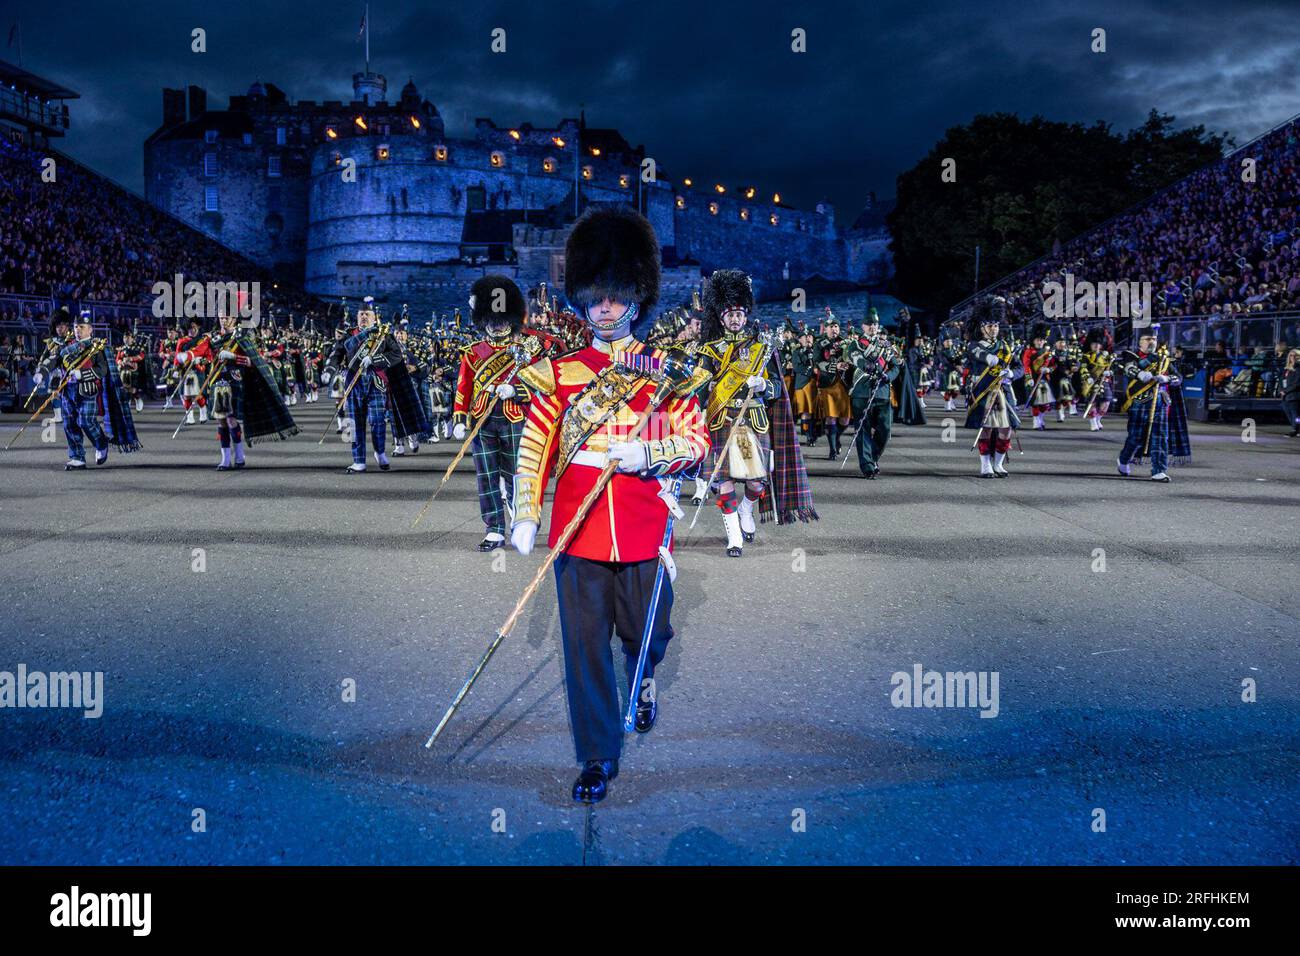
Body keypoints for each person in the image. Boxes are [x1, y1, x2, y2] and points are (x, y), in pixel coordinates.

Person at [510, 206, 710, 804]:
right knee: (584, 645)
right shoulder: (558, 375)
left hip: (645, 528)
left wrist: (646, 453)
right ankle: (597, 754)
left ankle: (644, 675)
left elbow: (697, 444)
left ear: (636, 299)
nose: (603, 307)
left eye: (616, 295)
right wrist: (524, 511)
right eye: (595, 294)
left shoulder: (663, 378)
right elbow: (534, 445)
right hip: (578, 532)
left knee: (648, 630)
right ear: (582, 297)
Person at [695, 269, 784, 555]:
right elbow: (699, 386)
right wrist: (698, 404)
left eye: (739, 314)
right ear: (722, 319)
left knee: (757, 482)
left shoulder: (761, 349)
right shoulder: (710, 350)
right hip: (723, 418)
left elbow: (778, 390)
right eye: (729, 314)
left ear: (746, 317)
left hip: (752, 421)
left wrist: (762, 385)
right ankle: (733, 535)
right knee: (725, 479)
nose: (735, 319)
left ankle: (747, 509)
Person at [452, 275, 542, 550]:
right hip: (483, 419)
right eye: (492, 319)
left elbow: (540, 385)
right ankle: (494, 527)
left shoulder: (527, 350)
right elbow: (463, 387)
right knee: (487, 475)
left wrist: (516, 391)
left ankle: (521, 518)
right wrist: (458, 418)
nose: (498, 324)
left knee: (517, 472)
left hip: (515, 419)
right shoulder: (472, 353)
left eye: (502, 319)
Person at [179, 312, 299, 469]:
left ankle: (240, 455)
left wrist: (234, 357)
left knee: (231, 420)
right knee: (222, 422)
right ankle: (225, 459)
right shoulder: (212, 338)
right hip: (216, 382)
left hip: (235, 381)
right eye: (221, 318)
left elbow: (253, 361)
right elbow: (201, 351)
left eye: (227, 318)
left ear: (234, 319)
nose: (224, 321)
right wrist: (188, 356)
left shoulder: (241, 337)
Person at [52, 310, 141, 470]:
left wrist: (82, 374)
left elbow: (102, 370)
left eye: (81, 326)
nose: (78, 329)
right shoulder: (66, 346)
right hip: (67, 392)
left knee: (85, 421)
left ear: (90, 329)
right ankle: (77, 457)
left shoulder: (98, 347)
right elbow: (57, 365)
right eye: (75, 326)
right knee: (70, 424)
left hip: (88, 391)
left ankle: (101, 444)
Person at [1116, 325, 1190, 482]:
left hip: (1160, 402)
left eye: (1154, 339)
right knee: (1135, 437)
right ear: (1140, 342)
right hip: (1139, 402)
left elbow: (1178, 378)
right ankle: (1123, 459)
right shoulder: (1131, 355)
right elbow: (1129, 369)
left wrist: (1167, 379)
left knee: (1160, 437)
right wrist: (1140, 373)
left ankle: (1159, 470)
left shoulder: (1164, 359)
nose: (1151, 342)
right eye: (1148, 339)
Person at [964, 297, 1021, 477]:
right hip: (984, 392)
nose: (993, 329)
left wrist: (1011, 374)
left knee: (1006, 430)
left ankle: (998, 464)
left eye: (995, 325)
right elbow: (978, 354)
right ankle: (985, 465)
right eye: (989, 326)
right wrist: (990, 359)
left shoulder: (1005, 346)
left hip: (1003, 393)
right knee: (986, 429)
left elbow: (1021, 368)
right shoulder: (974, 345)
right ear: (981, 328)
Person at [847, 309, 903, 478]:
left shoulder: (886, 346)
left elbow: (896, 366)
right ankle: (867, 466)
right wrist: (869, 366)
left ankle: (873, 457)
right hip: (861, 392)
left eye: (875, 324)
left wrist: (888, 376)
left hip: (882, 393)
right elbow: (856, 359)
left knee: (885, 430)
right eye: (869, 324)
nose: (872, 327)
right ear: (863, 326)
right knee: (862, 430)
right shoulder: (855, 344)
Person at [1281, 349, 1300, 437]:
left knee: (1295, 414)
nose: (1293, 357)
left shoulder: (1298, 368)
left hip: (1294, 395)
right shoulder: (1286, 369)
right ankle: (1296, 428)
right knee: (1288, 412)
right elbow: (1282, 381)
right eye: (1291, 355)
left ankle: (1295, 429)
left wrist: (1286, 391)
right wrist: (1281, 390)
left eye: (1295, 355)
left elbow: (1297, 383)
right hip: (1286, 395)